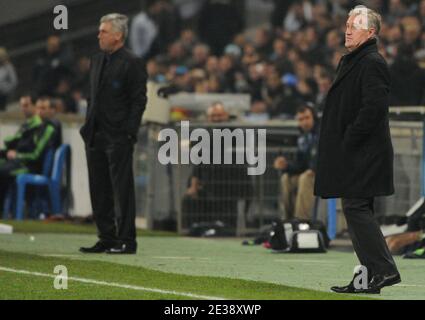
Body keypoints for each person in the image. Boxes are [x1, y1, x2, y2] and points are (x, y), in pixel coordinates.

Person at [314, 6, 400, 294]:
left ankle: (384, 270)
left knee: (356, 208)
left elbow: (374, 108)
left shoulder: (371, 61)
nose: (348, 28)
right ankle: (368, 277)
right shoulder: (357, 60)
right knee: (356, 209)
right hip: (358, 151)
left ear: (371, 32)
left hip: (364, 152)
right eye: (347, 23)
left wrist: (349, 139)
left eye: (356, 24)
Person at [79, 13, 147, 254]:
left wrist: (129, 132)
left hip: (118, 135)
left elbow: (138, 100)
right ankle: (106, 237)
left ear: (118, 36)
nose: (99, 35)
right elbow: (91, 96)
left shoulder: (132, 62)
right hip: (95, 134)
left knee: (122, 190)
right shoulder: (97, 60)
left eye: (104, 31)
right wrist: (88, 126)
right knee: (99, 188)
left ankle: (127, 239)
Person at [0, 95, 55, 209]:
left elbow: (36, 155)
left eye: (43, 108)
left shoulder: (47, 129)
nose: (23, 108)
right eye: (21, 105)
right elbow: (16, 142)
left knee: (2, 171)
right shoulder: (28, 126)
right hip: (18, 161)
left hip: (29, 165)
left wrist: (18, 155)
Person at [274, 104, 319, 220]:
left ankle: (301, 220)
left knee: (305, 177)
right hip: (308, 174)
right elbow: (300, 165)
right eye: (301, 119)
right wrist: (286, 165)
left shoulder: (323, 133)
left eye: (307, 118)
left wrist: (313, 169)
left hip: (323, 175)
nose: (304, 122)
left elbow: (328, 157)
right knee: (286, 178)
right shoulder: (302, 138)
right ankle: (287, 219)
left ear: (314, 117)